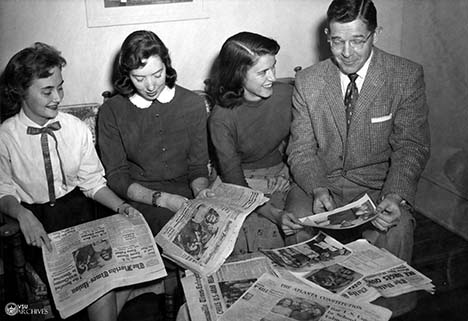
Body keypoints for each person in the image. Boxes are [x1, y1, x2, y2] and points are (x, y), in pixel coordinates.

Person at [0, 42, 141, 321]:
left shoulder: (75, 128)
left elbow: (92, 183)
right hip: (38, 222)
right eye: (47, 91)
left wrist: (122, 207)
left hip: (79, 213)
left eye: (60, 87)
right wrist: (21, 214)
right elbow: (2, 190)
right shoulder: (5, 136)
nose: (58, 97)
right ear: (21, 92)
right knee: (92, 284)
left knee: (103, 276)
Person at [285, 0, 430, 263]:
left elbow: (411, 146)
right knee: (297, 223)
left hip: (377, 188)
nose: (347, 52)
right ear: (327, 36)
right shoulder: (308, 81)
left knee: (397, 229)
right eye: (338, 41)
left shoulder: (405, 76)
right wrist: (317, 189)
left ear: (376, 34)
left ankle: (393, 305)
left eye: (358, 40)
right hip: (319, 183)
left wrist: (395, 196)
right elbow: (300, 149)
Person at [98, 30, 211, 236]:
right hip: (138, 197)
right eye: (139, 78)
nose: (150, 86)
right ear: (126, 75)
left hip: (187, 193)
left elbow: (197, 167)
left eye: (157, 75)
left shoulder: (193, 104)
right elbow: (116, 176)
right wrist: (163, 199)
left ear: (166, 66)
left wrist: (202, 193)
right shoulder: (111, 111)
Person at [208, 31, 300, 255]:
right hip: (238, 184)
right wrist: (272, 213)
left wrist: (287, 171)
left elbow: (304, 142)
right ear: (238, 75)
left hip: (279, 176)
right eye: (262, 72)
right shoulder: (221, 118)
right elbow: (233, 177)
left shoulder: (288, 95)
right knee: (241, 236)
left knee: (297, 227)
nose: (272, 78)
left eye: (273, 67)